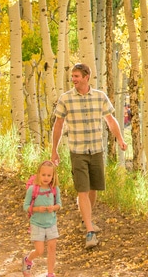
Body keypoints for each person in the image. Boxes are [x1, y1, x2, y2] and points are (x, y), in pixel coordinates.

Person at [51, 63, 127, 249]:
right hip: (77, 151)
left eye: (77, 76)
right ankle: (90, 231)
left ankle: (86, 219)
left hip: (96, 151)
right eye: (72, 76)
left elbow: (110, 120)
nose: (73, 79)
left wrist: (120, 139)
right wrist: (54, 149)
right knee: (82, 190)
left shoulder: (100, 97)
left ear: (86, 77)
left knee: (93, 189)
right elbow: (58, 125)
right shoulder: (66, 98)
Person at [22, 160, 62, 277]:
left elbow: (59, 204)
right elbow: (25, 206)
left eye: (49, 175)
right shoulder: (33, 189)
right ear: (38, 174)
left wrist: (53, 208)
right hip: (37, 223)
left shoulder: (54, 189)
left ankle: (50, 274)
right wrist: (36, 209)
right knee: (39, 250)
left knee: (52, 248)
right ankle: (28, 260)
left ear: (53, 176)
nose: (46, 178)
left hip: (51, 222)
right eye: (43, 175)